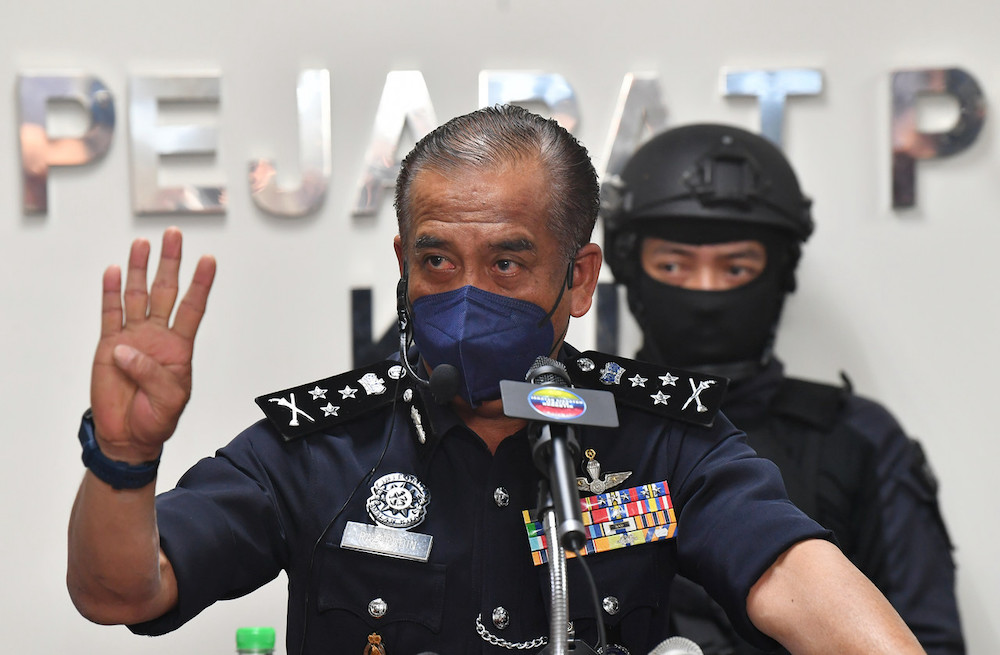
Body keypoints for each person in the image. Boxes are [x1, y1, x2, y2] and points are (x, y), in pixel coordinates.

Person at [67, 105, 924, 655]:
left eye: (509, 260)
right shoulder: (321, 445)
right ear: (404, 263)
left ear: (579, 277)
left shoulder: (661, 436)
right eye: (439, 259)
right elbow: (120, 592)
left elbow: (797, 579)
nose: (468, 293)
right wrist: (121, 458)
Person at [602, 122, 964, 654]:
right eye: (674, 264)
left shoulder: (856, 437)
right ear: (631, 269)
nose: (705, 292)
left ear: (781, 272)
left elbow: (928, 638)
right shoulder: (572, 425)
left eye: (736, 266)